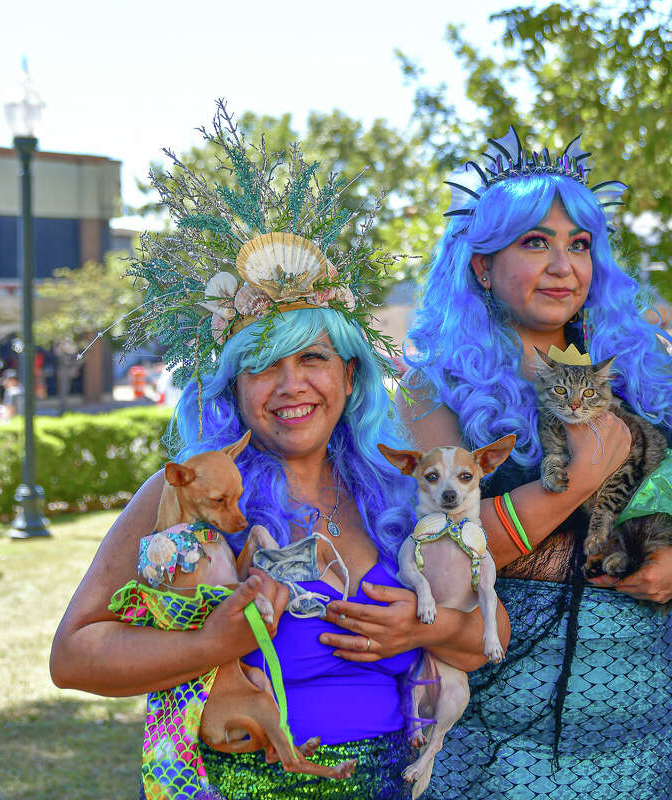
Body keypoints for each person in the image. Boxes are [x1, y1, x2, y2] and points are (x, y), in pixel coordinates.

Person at [49, 105, 507, 800]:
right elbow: (74, 655)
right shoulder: (185, 496)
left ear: (350, 375)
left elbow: (485, 640)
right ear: (232, 387)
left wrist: (415, 630)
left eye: (315, 358)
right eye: (264, 365)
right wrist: (211, 646)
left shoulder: (401, 491)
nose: (293, 386)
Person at [401, 128, 672, 799]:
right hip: (500, 706)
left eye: (578, 245)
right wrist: (575, 484)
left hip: (645, 695)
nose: (563, 266)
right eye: (535, 242)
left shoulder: (641, 367)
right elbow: (441, 547)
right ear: (480, 266)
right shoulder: (433, 389)